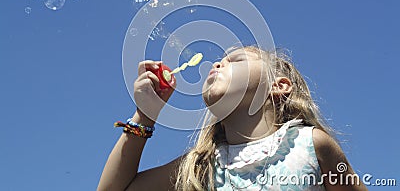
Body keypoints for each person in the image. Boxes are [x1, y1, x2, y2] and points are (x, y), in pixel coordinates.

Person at [98, 46, 367, 190]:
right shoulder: (203, 166)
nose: (216, 64)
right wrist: (145, 115)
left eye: (234, 60)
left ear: (278, 86)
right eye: (219, 62)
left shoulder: (310, 144)